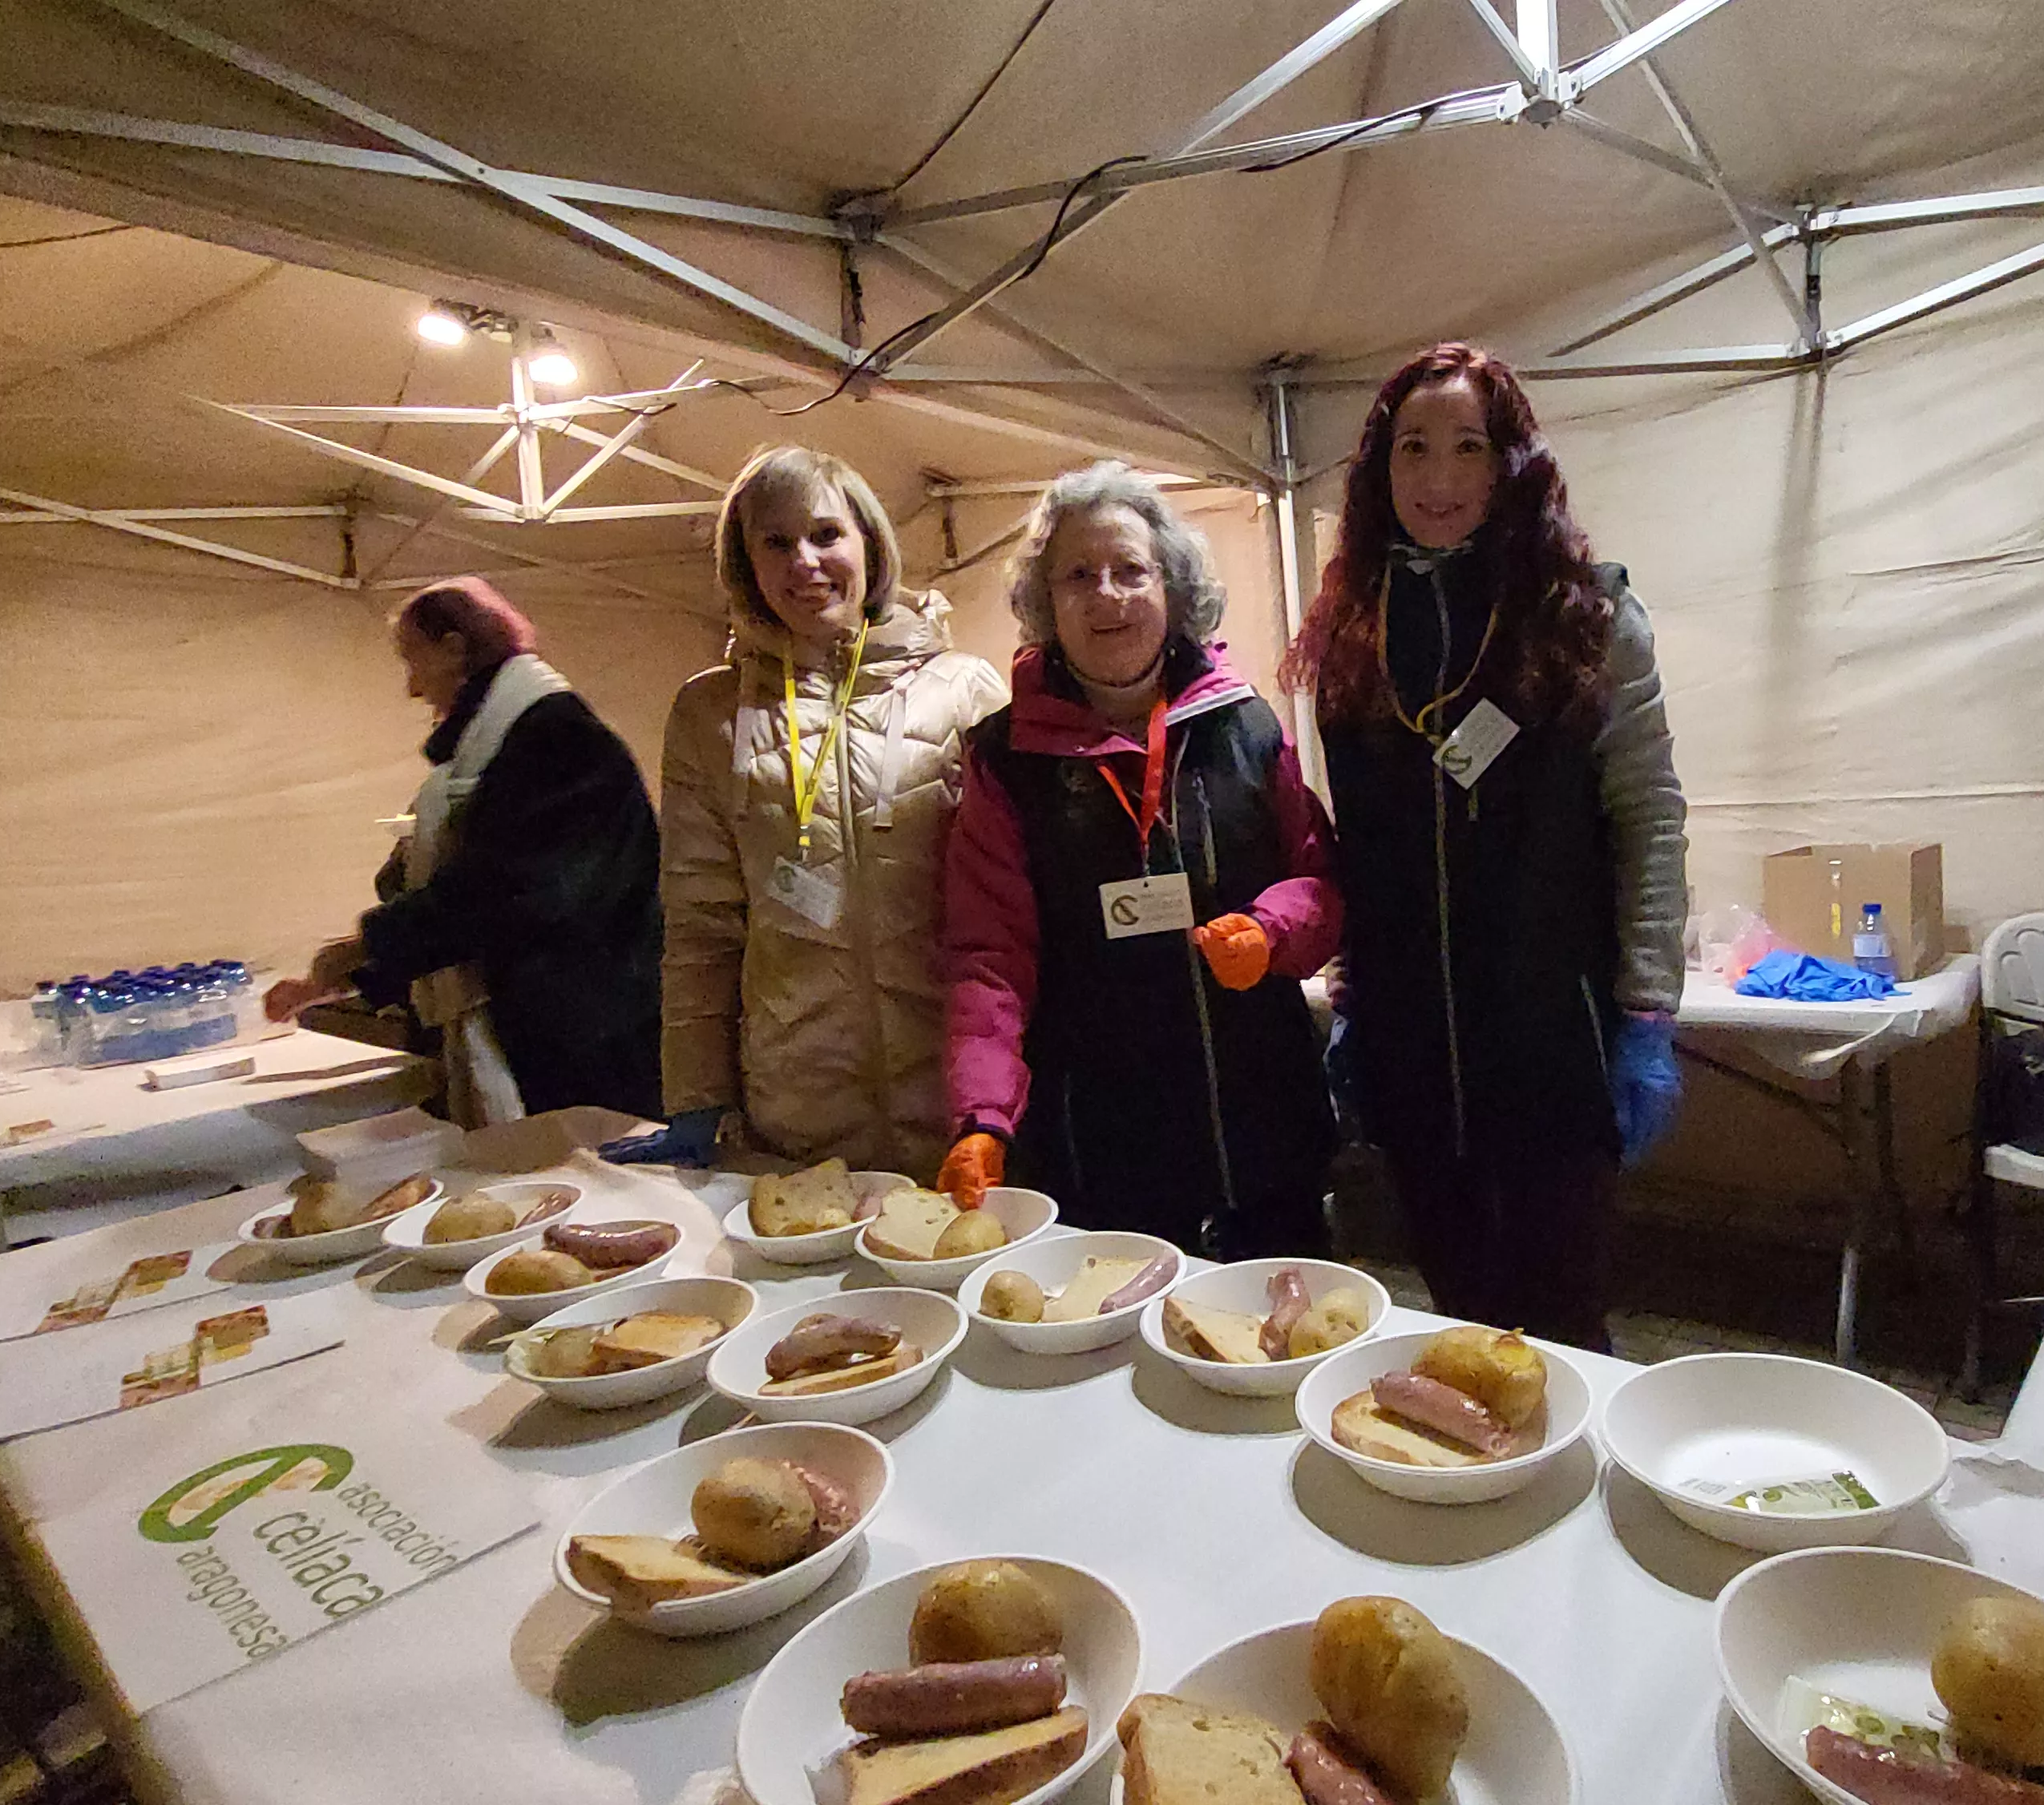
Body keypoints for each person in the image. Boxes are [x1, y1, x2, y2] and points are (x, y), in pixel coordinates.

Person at [1284, 343, 1689, 1352]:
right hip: (1412, 1043)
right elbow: (1361, 841)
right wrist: (1354, 996)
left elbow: (1649, 814)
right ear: (1380, 467)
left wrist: (1646, 1009)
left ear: (1513, 463)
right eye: (1412, 448)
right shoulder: (1356, 629)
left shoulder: (1587, 615)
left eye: (1469, 447)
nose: (1438, 478)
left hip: (1559, 1033)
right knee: (1457, 1304)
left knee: (1559, 1317)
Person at [937, 464, 1342, 1257]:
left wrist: (1270, 930)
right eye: (1078, 575)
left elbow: (1321, 881)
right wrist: (982, 1113)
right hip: (1101, 1151)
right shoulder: (1006, 759)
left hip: (1265, 1138)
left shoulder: (1246, 724)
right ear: (1045, 604)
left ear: (1173, 588)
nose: (1108, 594)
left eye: (1132, 570)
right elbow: (986, 959)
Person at [604, 446, 1005, 1174]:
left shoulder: (966, 690)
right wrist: (695, 1096)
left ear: (869, 543)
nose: (805, 561)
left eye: (826, 534)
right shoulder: (709, 713)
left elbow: (1016, 910)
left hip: (958, 1103)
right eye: (777, 542)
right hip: (797, 1112)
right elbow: (701, 927)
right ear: (747, 564)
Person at [265, 578, 660, 1124]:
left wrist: (368, 948)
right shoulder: (505, 747)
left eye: (413, 659)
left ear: (455, 647)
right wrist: (358, 969)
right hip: (564, 1035)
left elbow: (503, 895)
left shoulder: (560, 743)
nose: (411, 687)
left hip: (588, 1045)